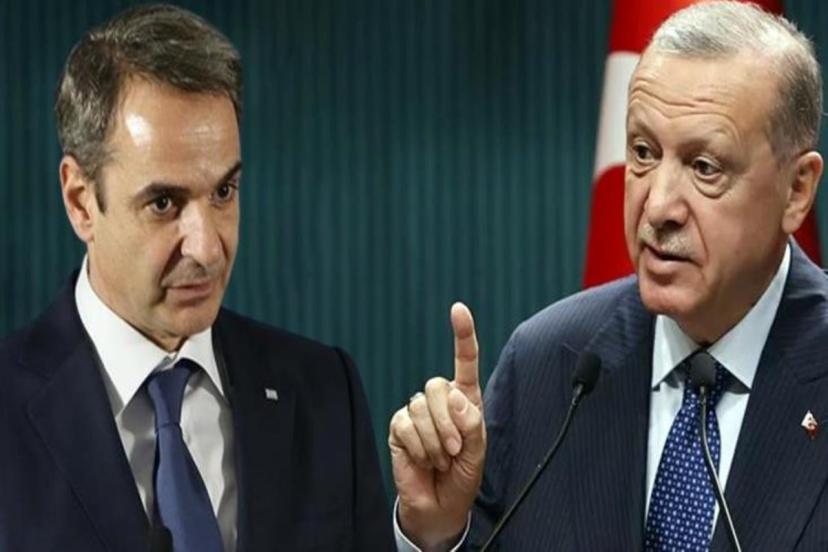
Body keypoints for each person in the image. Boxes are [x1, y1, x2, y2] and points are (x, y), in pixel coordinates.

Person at [390, 2, 828, 550]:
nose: (658, 206)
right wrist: (437, 534)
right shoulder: (547, 367)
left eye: (705, 167)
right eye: (643, 152)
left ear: (796, 190)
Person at [0, 5, 393, 551]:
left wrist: (429, 535)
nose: (207, 248)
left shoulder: (324, 393)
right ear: (81, 201)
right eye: (163, 203)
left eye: (223, 192)